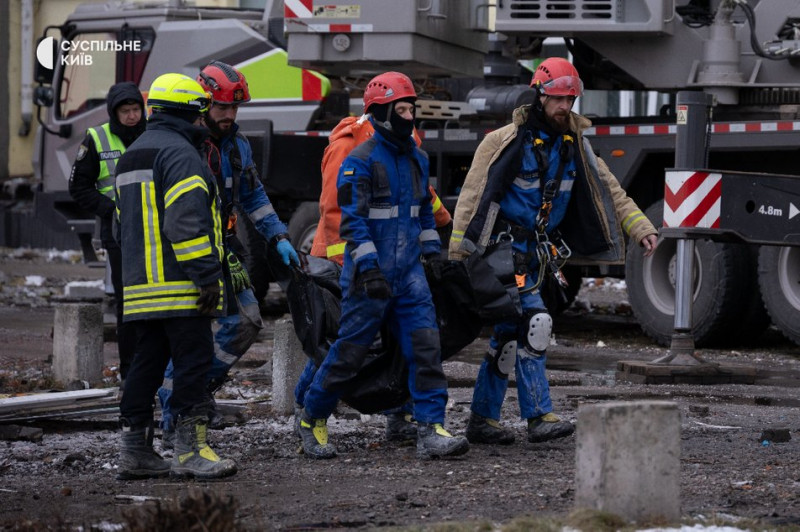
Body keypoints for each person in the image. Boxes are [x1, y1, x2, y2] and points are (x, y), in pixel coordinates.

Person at [449, 57, 658, 445]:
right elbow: (472, 200)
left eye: (570, 100)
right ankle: (537, 416)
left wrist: (640, 227)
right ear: (540, 96)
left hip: (534, 257)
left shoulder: (575, 146)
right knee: (536, 324)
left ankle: (482, 419)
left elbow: (610, 192)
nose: (564, 107)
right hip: (501, 253)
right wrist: (459, 258)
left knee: (510, 336)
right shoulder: (503, 143)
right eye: (558, 99)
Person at [296, 71, 469, 460]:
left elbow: (423, 212)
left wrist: (433, 256)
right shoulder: (358, 160)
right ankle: (312, 416)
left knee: (425, 348)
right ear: (380, 112)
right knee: (349, 353)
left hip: (409, 274)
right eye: (401, 109)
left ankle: (431, 427)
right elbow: (350, 222)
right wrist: (368, 269)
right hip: (368, 277)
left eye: (411, 108)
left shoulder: (417, 158)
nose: (409, 116)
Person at [157, 60, 300, 442]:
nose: (229, 115)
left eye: (235, 108)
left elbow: (252, 195)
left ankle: (196, 391)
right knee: (191, 335)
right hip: (187, 250)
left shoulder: (237, 145)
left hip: (224, 247)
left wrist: (278, 236)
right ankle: (176, 414)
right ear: (203, 104)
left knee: (246, 320)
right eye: (222, 107)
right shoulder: (188, 145)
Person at [114, 72, 236, 480]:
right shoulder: (182, 156)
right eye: (200, 111)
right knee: (194, 363)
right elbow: (186, 225)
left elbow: (119, 227)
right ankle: (189, 451)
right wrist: (206, 277)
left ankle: (135, 452)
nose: (204, 120)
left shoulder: (132, 154)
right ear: (189, 112)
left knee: (145, 364)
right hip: (182, 286)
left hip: (140, 289)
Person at [68, 81, 145, 382]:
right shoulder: (97, 137)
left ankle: (149, 369)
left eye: (136, 109)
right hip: (118, 233)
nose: (131, 116)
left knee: (155, 302)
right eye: (125, 111)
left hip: (153, 231)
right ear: (114, 113)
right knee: (127, 302)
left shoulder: (152, 134)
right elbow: (79, 187)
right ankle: (129, 372)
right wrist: (110, 210)